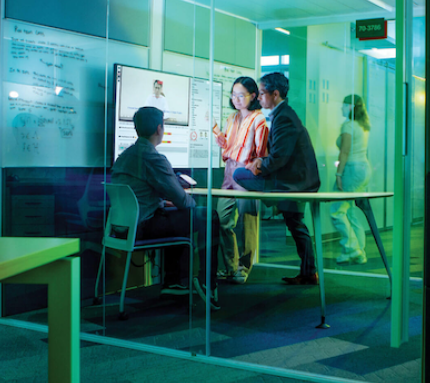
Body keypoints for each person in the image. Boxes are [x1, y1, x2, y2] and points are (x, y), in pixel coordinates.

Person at [111, 107, 221, 310]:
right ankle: (208, 283)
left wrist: (164, 202)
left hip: (121, 228)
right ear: (159, 129)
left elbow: (139, 195)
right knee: (209, 216)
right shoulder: (153, 158)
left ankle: (174, 282)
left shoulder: (124, 156)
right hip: (143, 227)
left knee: (175, 216)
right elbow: (183, 201)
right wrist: (185, 200)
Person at [233, 72, 321, 285]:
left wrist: (259, 165)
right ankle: (309, 271)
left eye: (262, 93)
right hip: (295, 180)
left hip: (293, 183)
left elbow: (279, 157)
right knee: (296, 225)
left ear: (275, 94)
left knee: (239, 174)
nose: (259, 98)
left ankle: (273, 199)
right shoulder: (284, 115)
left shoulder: (284, 118)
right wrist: (261, 162)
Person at [214, 77, 268, 284]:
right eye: (233, 95)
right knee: (222, 219)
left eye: (241, 95)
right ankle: (230, 266)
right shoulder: (232, 118)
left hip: (246, 172)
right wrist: (221, 140)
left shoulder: (258, 119)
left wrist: (256, 169)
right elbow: (229, 145)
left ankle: (243, 267)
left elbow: (262, 153)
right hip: (229, 170)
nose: (236, 99)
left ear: (253, 96)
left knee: (247, 222)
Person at [331, 94, 372, 265]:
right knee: (351, 212)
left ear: (350, 107)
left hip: (351, 170)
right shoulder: (363, 125)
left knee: (336, 210)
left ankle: (352, 248)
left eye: (343, 104)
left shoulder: (348, 125)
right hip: (363, 169)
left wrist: (339, 174)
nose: (341, 107)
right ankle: (357, 251)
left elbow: (345, 152)